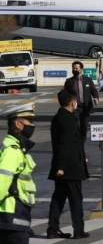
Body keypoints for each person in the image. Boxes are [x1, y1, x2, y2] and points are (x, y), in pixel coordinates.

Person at [47, 90, 89, 240]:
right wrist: (61, 166)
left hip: (65, 165)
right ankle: (79, 230)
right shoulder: (68, 119)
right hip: (69, 168)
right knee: (75, 199)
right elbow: (64, 144)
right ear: (72, 102)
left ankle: (53, 229)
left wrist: (82, 156)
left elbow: (71, 143)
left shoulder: (59, 117)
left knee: (58, 198)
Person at [0, 103, 37, 244]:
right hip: (11, 215)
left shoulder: (17, 149)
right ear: (18, 124)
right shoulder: (12, 151)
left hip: (16, 215)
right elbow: (2, 182)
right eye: (29, 121)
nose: (32, 125)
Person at [64, 61, 99, 147]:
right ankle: (76, 144)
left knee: (84, 128)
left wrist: (96, 97)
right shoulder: (69, 81)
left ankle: (81, 145)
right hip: (75, 108)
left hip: (86, 107)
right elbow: (65, 94)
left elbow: (93, 90)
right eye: (73, 68)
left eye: (76, 68)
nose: (75, 70)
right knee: (76, 125)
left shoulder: (88, 80)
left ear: (81, 69)